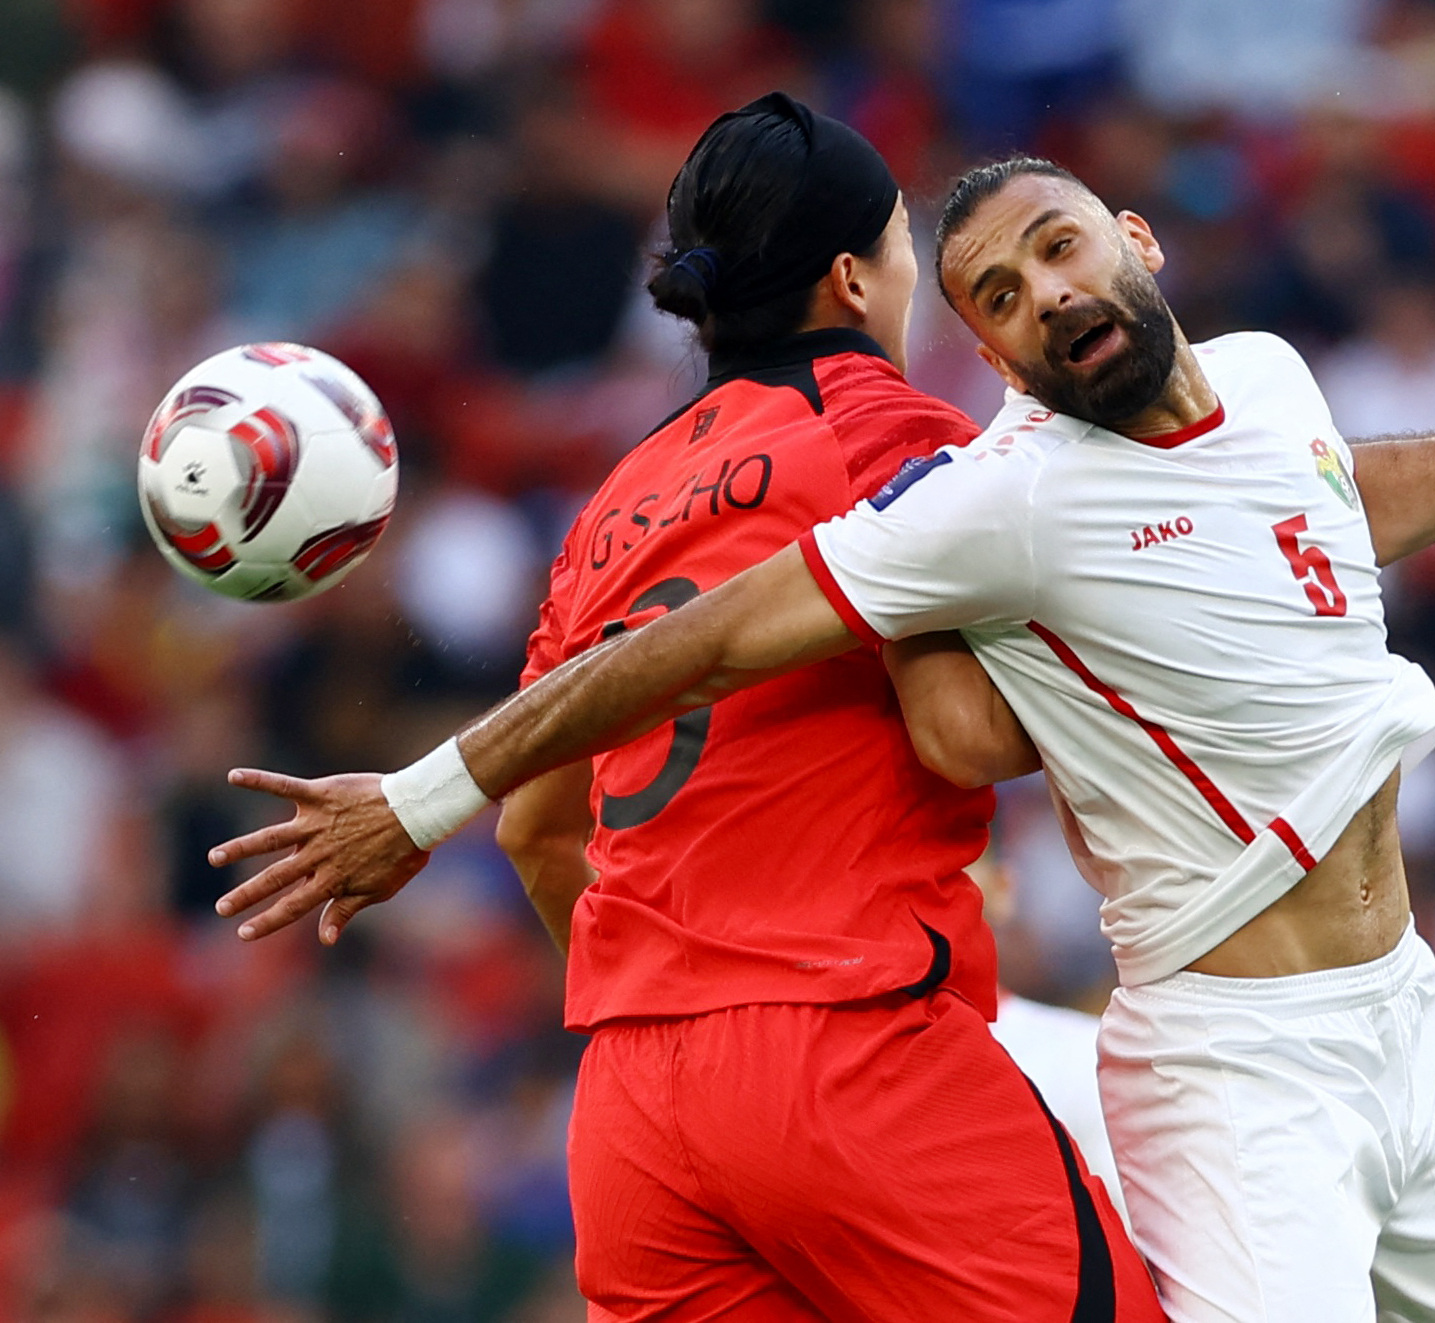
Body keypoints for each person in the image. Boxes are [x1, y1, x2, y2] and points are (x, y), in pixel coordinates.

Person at [209, 156, 1435, 1321]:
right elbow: (721, 645)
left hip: (1405, 1022)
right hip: (1233, 1070)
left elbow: (1334, 491)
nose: (1050, 299)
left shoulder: (1267, 378)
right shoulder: (997, 491)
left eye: (1058, 250)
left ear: (1136, 238)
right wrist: (420, 797)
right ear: (977, 351)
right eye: (1000, 303)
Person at [281, 98, 1163, 1323]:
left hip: (634, 1113)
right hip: (846, 1052)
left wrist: (681, 1009)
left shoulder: (609, 508)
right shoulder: (894, 434)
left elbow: (540, 833)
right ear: (856, 277)